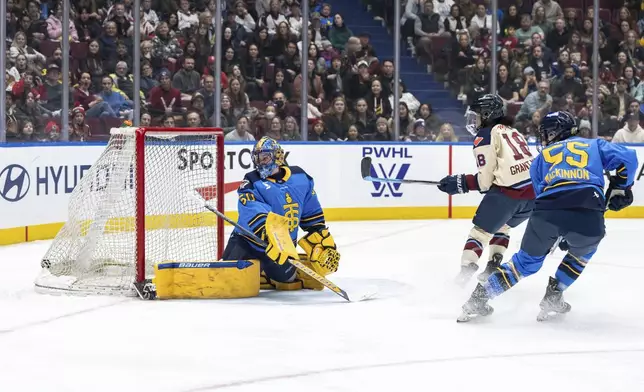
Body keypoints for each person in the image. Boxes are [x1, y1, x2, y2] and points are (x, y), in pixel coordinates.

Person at [457, 111, 638, 322]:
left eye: (548, 133)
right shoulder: (594, 145)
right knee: (583, 250)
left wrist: (556, 232)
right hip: (587, 211)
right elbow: (629, 157)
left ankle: (479, 298)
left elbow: (540, 196)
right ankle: (555, 293)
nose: (546, 138)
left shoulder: (540, 159)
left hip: (546, 213)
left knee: (524, 263)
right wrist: (622, 186)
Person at [436, 94, 535, 285]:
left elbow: (485, 183)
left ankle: (466, 270)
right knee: (503, 225)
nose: (474, 120)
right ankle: (494, 264)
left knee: (479, 233)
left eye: (478, 115)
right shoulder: (513, 132)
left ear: (488, 114)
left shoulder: (485, 135)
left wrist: (461, 183)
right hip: (533, 198)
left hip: (509, 195)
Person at [221, 137, 341, 290]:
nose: (260, 163)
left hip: (283, 249)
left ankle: (265, 273)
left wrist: (320, 237)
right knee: (227, 279)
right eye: (257, 158)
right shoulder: (251, 181)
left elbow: (312, 215)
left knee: (287, 281)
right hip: (248, 241)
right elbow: (251, 209)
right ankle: (259, 271)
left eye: (265, 157)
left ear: (278, 157)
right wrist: (272, 236)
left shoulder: (300, 178)